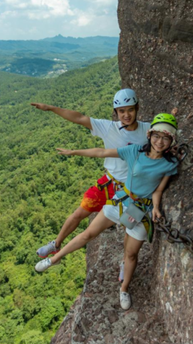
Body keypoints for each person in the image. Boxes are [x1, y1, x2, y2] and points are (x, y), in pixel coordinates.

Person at [35, 113, 179, 310]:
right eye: (157, 136)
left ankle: (124, 289)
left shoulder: (170, 164)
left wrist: (155, 207)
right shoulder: (135, 151)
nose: (160, 142)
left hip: (140, 211)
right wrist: (75, 152)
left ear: (171, 140)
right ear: (149, 135)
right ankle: (54, 259)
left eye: (165, 138)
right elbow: (103, 153)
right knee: (89, 234)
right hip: (120, 202)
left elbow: (159, 189)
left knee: (131, 255)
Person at [31, 89, 150, 279]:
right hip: (108, 182)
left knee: (128, 228)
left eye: (130, 110)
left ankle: (123, 263)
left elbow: (165, 136)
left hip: (130, 190)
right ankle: (56, 244)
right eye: (121, 111)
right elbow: (79, 118)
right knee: (79, 213)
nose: (126, 115)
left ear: (137, 109)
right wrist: (51, 108)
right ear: (116, 112)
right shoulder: (108, 127)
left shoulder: (147, 130)